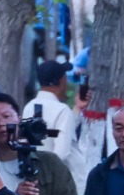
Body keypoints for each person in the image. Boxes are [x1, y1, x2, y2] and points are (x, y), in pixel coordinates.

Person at [28, 57, 96, 185]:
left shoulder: (29, 107)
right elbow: (61, 153)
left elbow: (59, 130)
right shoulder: (61, 110)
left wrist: (77, 108)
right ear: (61, 81)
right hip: (64, 184)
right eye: (65, 78)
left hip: (36, 177)